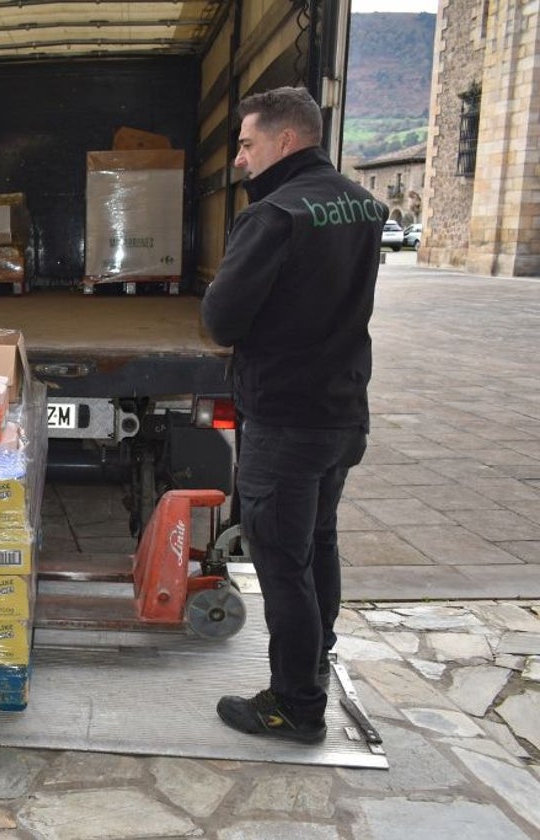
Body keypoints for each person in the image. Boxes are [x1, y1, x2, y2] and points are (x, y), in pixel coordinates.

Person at [201, 87, 383, 744]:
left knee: (281, 564)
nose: (242, 160)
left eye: (247, 144)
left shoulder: (275, 215)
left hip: (284, 418)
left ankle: (295, 706)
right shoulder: (362, 206)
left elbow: (221, 321)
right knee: (318, 546)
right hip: (341, 412)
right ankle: (316, 659)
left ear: (284, 141)